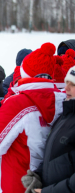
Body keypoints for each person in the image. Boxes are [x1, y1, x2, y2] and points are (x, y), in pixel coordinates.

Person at [0, 43, 66, 193]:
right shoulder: (63, 99)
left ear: (25, 73)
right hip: (49, 184)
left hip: (17, 184)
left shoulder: (18, 103)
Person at [22, 65, 75, 193]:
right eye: (66, 82)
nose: (66, 88)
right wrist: (38, 175)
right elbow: (56, 155)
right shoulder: (65, 115)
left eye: (72, 84)